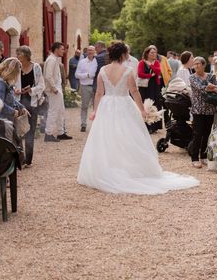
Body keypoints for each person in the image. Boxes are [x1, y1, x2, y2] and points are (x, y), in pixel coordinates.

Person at [77, 41, 199, 194]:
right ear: (122, 54)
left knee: (107, 137)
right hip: (123, 104)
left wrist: (95, 110)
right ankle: (127, 168)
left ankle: (107, 168)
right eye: (126, 53)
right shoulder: (127, 70)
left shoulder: (102, 70)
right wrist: (141, 110)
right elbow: (134, 92)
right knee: (128, 137)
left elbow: (99, 93)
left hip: (107, 106)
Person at [188, 56, 217, 168]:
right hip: (198, 109)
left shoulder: (211, 76)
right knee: (197, 134)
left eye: (198, 63)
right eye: (194, 64)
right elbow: (200, 88)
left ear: (203, 65)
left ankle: (203, 156)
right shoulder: (192, 77)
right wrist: (213, 88)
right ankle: (194, 158)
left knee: (207, 134)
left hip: (210, 109)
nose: (196, 66)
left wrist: (213, 87)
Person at [14, 46, 45, 167]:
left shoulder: (36, 67)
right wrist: (15, 90)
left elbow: (41, 86)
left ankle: (28, 160)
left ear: (26, 55)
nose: (17, 56)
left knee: (30, 131)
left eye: (19, 54)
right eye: (17, 54)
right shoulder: (16, 67)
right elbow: (11, 83)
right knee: (18, 131)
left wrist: (30, 89)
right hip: (18, 102)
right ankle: (20, 158)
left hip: (31, 103)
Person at [43, 42, 72, 142]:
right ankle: (49, 133)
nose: (64, 51)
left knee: (60, 111)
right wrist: (54, 88)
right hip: (54, 90)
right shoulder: (51, 60)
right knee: (54, 111)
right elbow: (48, 75)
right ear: (56, 49)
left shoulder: (53, 59)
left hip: (57, 88)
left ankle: (60, 132)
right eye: (62, 49)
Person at [0, 58, 27, 122]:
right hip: (1, 121)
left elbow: (11, 99)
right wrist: (13, 111)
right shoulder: (0, 84)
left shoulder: (5, 82)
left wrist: (21, 107)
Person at [75, 46, 97, 133]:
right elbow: (76, 75)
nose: (90, 52)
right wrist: (87, 75)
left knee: (96, 107)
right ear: (86, 52)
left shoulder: (97, 61)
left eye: (92, 50)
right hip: (85, 86)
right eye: (88, 50)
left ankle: (96, 125)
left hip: (96, 87)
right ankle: (83, 124)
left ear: (94, 51)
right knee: (84, 106)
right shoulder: (82, 62)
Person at [137, 45, 164, 110]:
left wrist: (151, 65)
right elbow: (140, 74)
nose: (154, 54)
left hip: (155, 86)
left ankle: (156, 119)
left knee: (156, 103)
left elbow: (158, 71)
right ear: (147, 54)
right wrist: (150, 75)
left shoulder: (156, 62)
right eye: (152, 52)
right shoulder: (141, 63)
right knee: (145, 103)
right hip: (144, 87)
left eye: (155, 52)